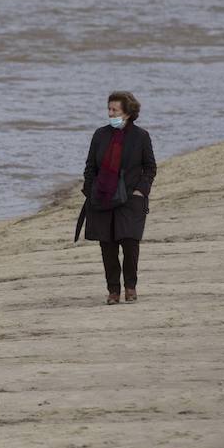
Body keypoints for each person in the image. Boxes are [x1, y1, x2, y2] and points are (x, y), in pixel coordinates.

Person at [81, 91, 157, 304]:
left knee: (130, 244)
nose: (110, 113)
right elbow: (90, 167)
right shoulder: (100, 135)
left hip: (130, 200)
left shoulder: (141, 136)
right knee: (108, 247)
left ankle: (130, 287)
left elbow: (150, 167)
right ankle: (113, 291)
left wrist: (140, 191)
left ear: (127, 112)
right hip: (103, 199)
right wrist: (90, 190)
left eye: (115, 110)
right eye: (109, 109)